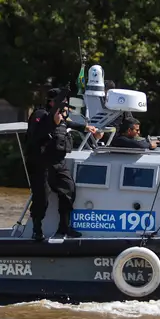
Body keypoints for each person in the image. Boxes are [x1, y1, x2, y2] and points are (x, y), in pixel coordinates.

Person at [25, 88, 102, 241]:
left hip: (58, 163)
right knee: (42, 198)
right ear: (52, 102)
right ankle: (37, 230)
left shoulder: (62, 118)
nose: (65, 107)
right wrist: (53, 123)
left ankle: (64, 227)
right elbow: (39, 132)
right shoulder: (40, 115)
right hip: (41, 164)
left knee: (69, 189)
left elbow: (69, 123)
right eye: (62, 103)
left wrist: (87, 128)